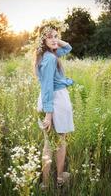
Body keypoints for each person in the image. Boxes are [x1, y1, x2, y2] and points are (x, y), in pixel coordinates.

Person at [34, 23, 75, 190]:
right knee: (59, 142)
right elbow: (47, 87)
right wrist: (49, 114)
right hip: (55, 100)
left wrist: (55, 40)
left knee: (48, 143)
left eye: (55, 36)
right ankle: (58, 178)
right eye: (49, 36)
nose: (54, 40)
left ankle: (44, 183)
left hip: (48, 100)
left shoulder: (45, 55)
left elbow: (68, 48)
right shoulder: (50, 58)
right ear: (42, 40)